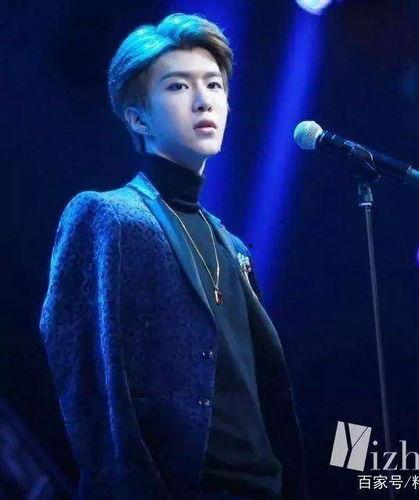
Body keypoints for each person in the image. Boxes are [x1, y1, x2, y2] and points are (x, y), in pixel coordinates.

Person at [39, 13, 309, 500]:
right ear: (137, 117)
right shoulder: (107, 216)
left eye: (214, 84)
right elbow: (87, 384)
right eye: (179, 86)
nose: (204, 100)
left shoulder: (233, 247)